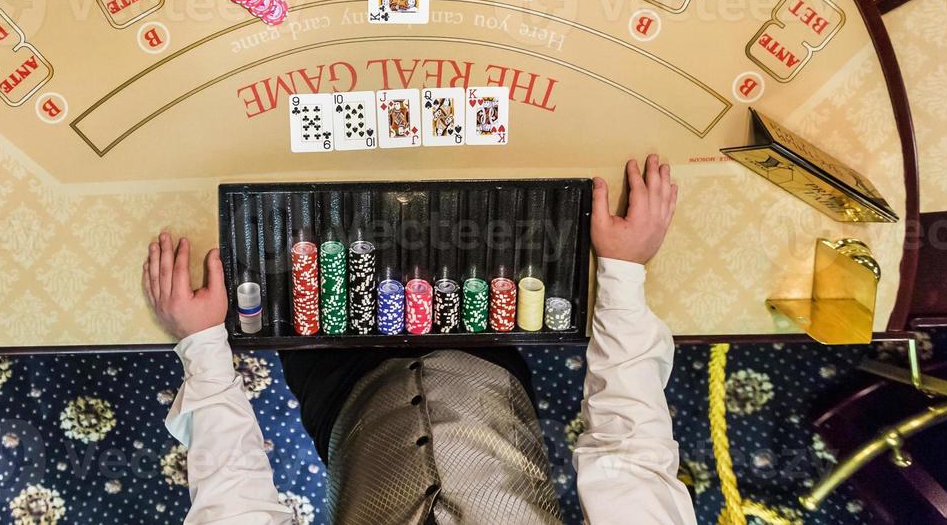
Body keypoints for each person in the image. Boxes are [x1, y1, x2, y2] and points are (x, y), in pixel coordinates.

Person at [143, 154, 695, 524]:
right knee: (478, 191)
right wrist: (621, 273)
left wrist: (204, 345)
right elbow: (630, 463)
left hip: (344, 400)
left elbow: (235, 510)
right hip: (488, 372)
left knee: (297, 194)